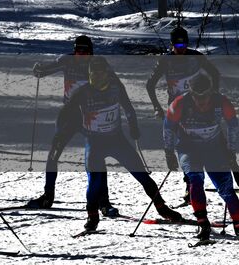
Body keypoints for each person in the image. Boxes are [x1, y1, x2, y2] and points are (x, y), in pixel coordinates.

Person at [49, 57, 184, 232]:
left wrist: (134, 127)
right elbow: (65, 113)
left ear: (107, 73)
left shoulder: (115, 87)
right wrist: (59, 135)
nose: (96, 77)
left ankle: (162, 207)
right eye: (92, 74)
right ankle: (92, 217)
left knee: (142, 175)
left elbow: (128, 108)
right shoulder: (83, 92)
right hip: (95, 142)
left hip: (116, 140)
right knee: (94, 182)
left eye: (100, 73)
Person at [26, 35, 116, 215]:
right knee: (53, 154)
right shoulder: (67, 60)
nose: (80, 55)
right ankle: (47, 196)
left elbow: (114, 84)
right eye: (77, 50)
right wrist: (39, 70)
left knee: (96, 159)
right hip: (69, 115)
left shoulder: (99, 64)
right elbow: (45, 70)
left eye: (85, 51)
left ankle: (103, 202)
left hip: (91, 116)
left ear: (91, 52)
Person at [146, 25, 223, 203]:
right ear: (171, 45)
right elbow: (150, 85)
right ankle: (191, 187)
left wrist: (215, 96)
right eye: (177, 47)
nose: (181, 51)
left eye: (184, 47)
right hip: (178, 109)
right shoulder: (165, 61)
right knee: (185, 146)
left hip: (200, 104)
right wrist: (157, 107)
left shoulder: (196, 56)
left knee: (215, 140)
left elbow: (215, 74)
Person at [162, 72, 239, 242]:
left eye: (206, 95)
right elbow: (168, 127)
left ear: (211, 91)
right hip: (189, 148)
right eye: (198, 96)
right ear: (191, 93)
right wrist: (168, 152)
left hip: (214, 148)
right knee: (195, 179)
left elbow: (233, 126)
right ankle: (203, 223)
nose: (202, 100)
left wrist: (231, 151)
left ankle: (238, 223)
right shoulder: (180, 103)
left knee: (226, 188)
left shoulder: (222, 101)